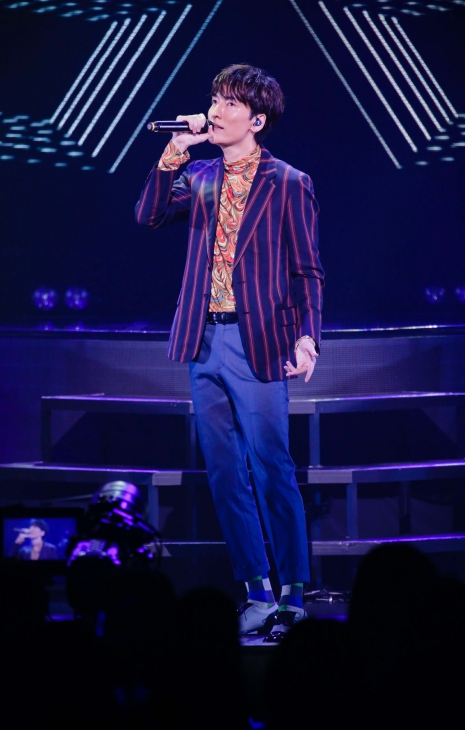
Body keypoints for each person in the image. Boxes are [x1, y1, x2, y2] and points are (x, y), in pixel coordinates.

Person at [135, 63, 324, 640]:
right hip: (204, 340)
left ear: (256, 120)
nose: (215, 111)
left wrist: (308, 337)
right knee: (223, 473)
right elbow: (148, 215)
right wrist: (174, 153)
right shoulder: (200, 176)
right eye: (214, 100)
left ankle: (293, 595)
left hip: (258, 339)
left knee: (272, 467)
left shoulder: (289, 182)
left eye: (230, 104)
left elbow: (308, 270)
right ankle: (256, 592)